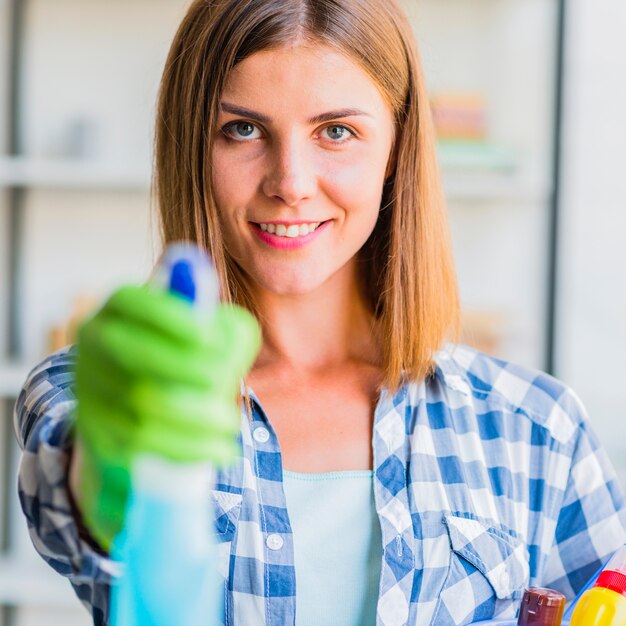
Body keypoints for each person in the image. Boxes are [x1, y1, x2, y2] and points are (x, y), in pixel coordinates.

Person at [13, 0, 626, 625]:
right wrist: (114, 471)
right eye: (243, 129)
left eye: (336, 131)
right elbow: (76, 495)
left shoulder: (537, 430)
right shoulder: (102, 394)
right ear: (192, 145)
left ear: (397, 150)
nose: (291, 182)